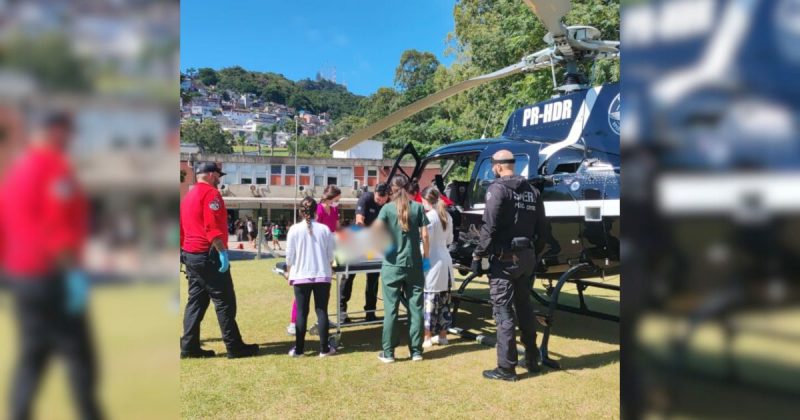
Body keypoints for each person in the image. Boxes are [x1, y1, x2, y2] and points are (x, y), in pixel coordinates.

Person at [0, 112, 101, 420]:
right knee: (80, 358)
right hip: (52, 274)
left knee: (33, 355)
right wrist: (71, 273)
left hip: (20, 275)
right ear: (58, 133)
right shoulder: (56, 170)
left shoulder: (15, 171)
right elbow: (59, 228)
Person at [472, 150, 548, 382]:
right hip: (527, 258)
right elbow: (544, 229)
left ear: (497, 166)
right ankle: (533, 359)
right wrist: (535, 253)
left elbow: (489, 227)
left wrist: (478, 255)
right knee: (524, 307)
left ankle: (506, 368)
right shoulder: (533, 191)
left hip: (504, 260)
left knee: (503, 312)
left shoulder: (497, 189)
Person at [180, 162, 259, 359]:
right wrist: (222, 252)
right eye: (218, 175)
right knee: (225, 301)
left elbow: (182, 228)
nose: (219, 179)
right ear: (210, 174)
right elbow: (211, 227)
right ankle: (234, 346)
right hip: (209, 254)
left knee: (196, 303)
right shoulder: (211, 195)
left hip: (191, 254)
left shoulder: (188, 196)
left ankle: (189, 346)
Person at [372, 175, 430, 363]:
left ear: (392, 189)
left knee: (391, 310)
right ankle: (416, 352)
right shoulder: (418, 207)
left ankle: (388, 353)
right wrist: (426, 258)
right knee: (416, 308)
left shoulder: (387, 209)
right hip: (414, 263)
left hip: (392, 265)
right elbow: (425, 235)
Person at [284, 197, 337, 357]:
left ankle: (299, 350)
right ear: (316, 211)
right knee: (322, 311)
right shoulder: (325, 229)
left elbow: (289, 256)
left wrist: (287, 271)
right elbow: (331, 255)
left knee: (301, 312)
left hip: (301, 275)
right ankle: (324, 349)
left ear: (301, 211)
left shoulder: (294, 229)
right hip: (322, 274)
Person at [339, 183, 390, 323]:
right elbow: (359, 220)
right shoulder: (366, 198)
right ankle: (341, 310)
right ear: (375, 192)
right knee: (348, 276)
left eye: (384, 198)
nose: (381, 201)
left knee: (373, 277)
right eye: (379, 197)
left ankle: (370, 311)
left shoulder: (388, 203)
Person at [420, 187, 454, 348]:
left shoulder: (429, 217)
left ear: (426, 200)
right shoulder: (447, 216)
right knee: (445, 302)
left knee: (430, 302)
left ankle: (427, 337)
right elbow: (450, 239)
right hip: (446, 260)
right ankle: (443, 335)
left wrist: (423, 258)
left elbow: (426, 240)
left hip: (432, 261)